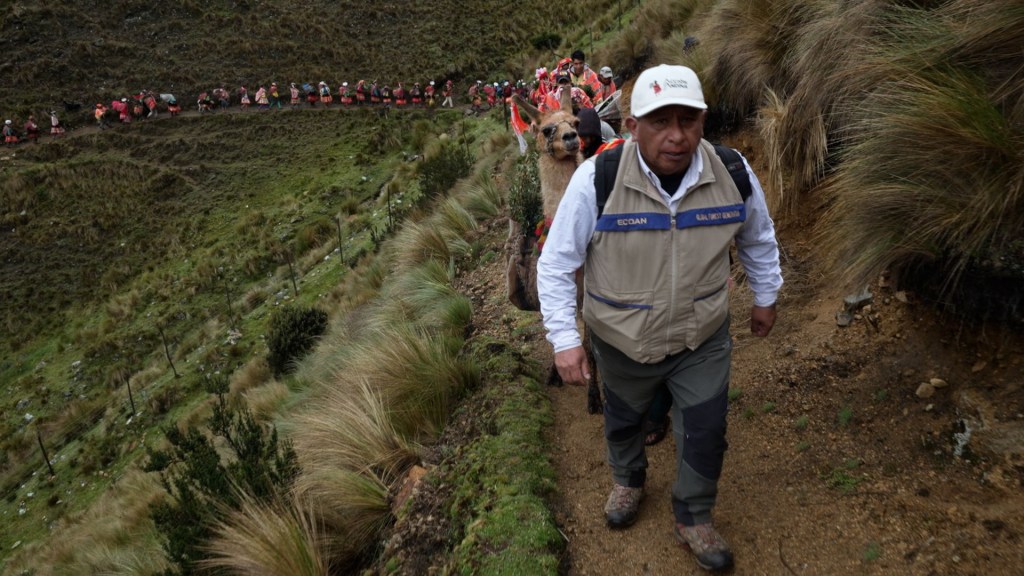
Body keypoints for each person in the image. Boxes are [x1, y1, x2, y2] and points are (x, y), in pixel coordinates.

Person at [536, 64, 782, 573]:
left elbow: (757, 237)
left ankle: (694, 514)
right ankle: (627, 481)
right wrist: (564, 339)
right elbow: (557, 262)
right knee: (624, 421)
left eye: (688, 121)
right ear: (632, 126)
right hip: (623, 340)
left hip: (702, 336)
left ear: (703, 121)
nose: (677, 136)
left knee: (707, 428)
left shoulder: (731, 172)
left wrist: (766, 295)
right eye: (660, 121)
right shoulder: (597, 179)